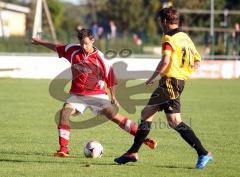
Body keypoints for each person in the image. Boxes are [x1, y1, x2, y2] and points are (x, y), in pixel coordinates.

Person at [32, 29, 157, 157]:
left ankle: (143, 139)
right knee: (65, 112)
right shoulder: (72, 50)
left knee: (113, 115)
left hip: (97, 94)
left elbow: (111, 78)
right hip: (77, 95)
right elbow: (56, 47)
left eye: (86, 43)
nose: (83, 46)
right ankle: (63, 149)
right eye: (81, 44)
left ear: (92, 41)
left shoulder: (101, 59)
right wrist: (40, 42)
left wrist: (113, 97)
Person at [114, 7, 213, 169]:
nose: (160, 24)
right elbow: (197, 62)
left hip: (170, 82)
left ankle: (203, 153)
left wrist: (152, 77)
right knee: (146, 113)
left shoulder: (169, 38)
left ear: (165, 21)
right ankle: (132, 152)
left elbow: (165, 61)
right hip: (174, 81)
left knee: (174, 121)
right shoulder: (185, 37)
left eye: (160, 21)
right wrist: (183, 74)